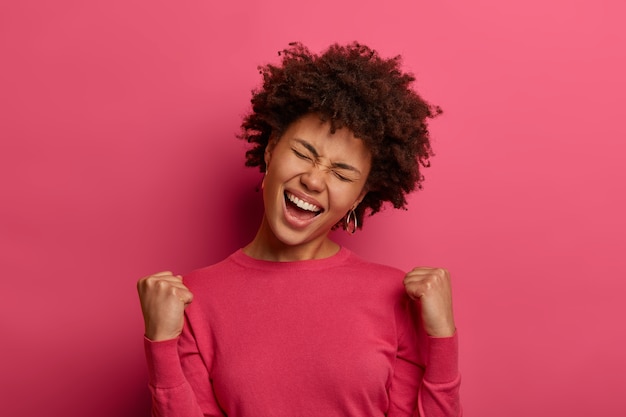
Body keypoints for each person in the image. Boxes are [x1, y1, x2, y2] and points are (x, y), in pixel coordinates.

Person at [137, 42, 461, 417]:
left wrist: (442, 337)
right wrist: (160, 343)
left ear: (358, 197)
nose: (313, 180)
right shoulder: (192, 300)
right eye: (304, 154)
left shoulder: (396, 296)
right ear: (271, 149)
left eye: (341, 173)